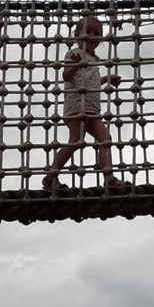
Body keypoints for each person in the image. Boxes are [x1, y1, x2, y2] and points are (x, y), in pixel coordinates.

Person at [42, 15, 131, 192]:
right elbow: (66, 76)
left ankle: (109, 177)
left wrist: (106, 79)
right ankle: (50, 177)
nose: (92, 36)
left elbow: (90, 82)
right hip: (77, 107)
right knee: (76, 140)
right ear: (77, 35)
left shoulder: (94, 59)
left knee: (105, 139)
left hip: (92, 108)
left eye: (96, 33)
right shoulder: (74, 54)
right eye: (87, 32)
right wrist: (75, 65)